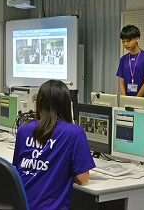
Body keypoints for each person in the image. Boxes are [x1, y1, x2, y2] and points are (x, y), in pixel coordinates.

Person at [13, 80, 95, 209]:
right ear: (67, 105)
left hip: (21, 204)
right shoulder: (74, 133)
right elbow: (83, 179)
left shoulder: (24, 128)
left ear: (39, 103)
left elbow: (18, 166)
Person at [116, 25, 144, 98]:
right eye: (123, 41)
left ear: (137, 39)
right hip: (127, 101)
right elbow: (121, 81)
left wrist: (135, 100)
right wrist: (124, 98)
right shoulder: (123, 59)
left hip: (143, 100)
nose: (125, 44)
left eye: (129, 41)